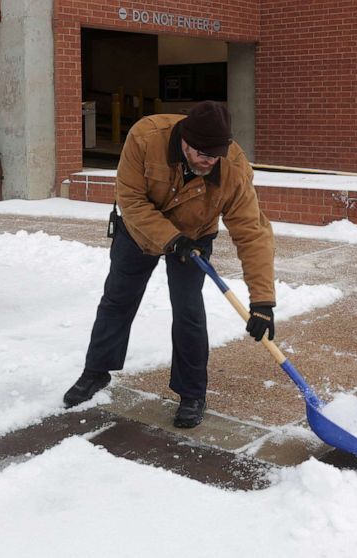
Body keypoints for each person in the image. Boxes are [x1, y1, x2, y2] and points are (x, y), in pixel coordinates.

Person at [62, 100, 276, 429]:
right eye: (202, 153)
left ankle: (192, 393)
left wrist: (262, 300)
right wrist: (170, 238)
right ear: (184, 142)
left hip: (196, 234)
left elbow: (253, 232)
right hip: (138, 232)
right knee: (118, 299)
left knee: (189, 310)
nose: (209, 160)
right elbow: (130, 198)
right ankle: (95, 372)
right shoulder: (146, 137)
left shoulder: (232, 167)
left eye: (215, 154)